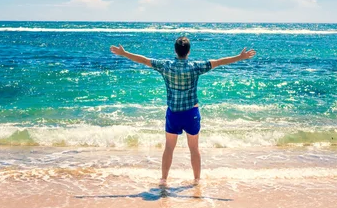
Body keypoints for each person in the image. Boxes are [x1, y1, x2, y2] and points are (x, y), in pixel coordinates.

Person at [110, 36, 256, 186]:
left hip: (173, 114)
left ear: (175, 50)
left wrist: (125, 53)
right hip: (191, 113)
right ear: (189, 52)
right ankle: (197, 180)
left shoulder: (166, 66)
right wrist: (240, 57)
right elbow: (219, 62)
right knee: (194, 148)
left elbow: (145, 60)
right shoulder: (195, 66)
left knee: (169, 148)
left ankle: (164, 179)